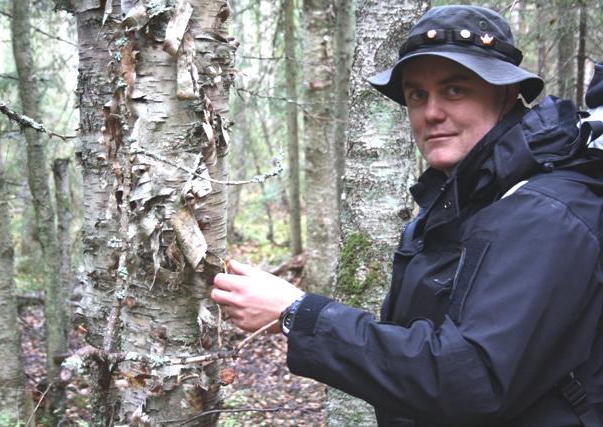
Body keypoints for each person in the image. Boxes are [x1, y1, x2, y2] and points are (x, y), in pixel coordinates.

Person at [212, 5, 603, 426]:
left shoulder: (544, 214)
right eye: (417, 95)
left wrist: (299, 314)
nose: (431, 112)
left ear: (506, 94)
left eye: (455, 90)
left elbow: (471, 379)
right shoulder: (456, 204)